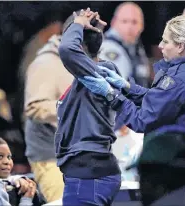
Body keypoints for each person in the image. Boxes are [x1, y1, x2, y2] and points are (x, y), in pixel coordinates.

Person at [79, 15, 185, 135]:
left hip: (179, 152)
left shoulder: (178, 80)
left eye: (165, 41)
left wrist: (111, 95)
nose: (160, 46)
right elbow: (162, 100)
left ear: (180, 46)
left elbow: (142, 120)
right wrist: (128, 87)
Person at [56, 8, 121, 205]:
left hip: (88, 173)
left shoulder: (97, 73)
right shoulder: (98, 71)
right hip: (91, 170)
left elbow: (67, 50)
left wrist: (77, 24)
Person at [24, 34, 73, 202]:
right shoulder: (47, 63)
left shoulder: (86, 61)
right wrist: (73, 107)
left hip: (78, 154)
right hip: (49, 154)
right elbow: (34, 107)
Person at [99, 2, 150, 88]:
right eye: (124, 21)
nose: (129, 27)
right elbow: (115, 88)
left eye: (134, 22)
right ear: (114, 22)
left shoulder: (135, 46)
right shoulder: (110, 48)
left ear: (142, 25)